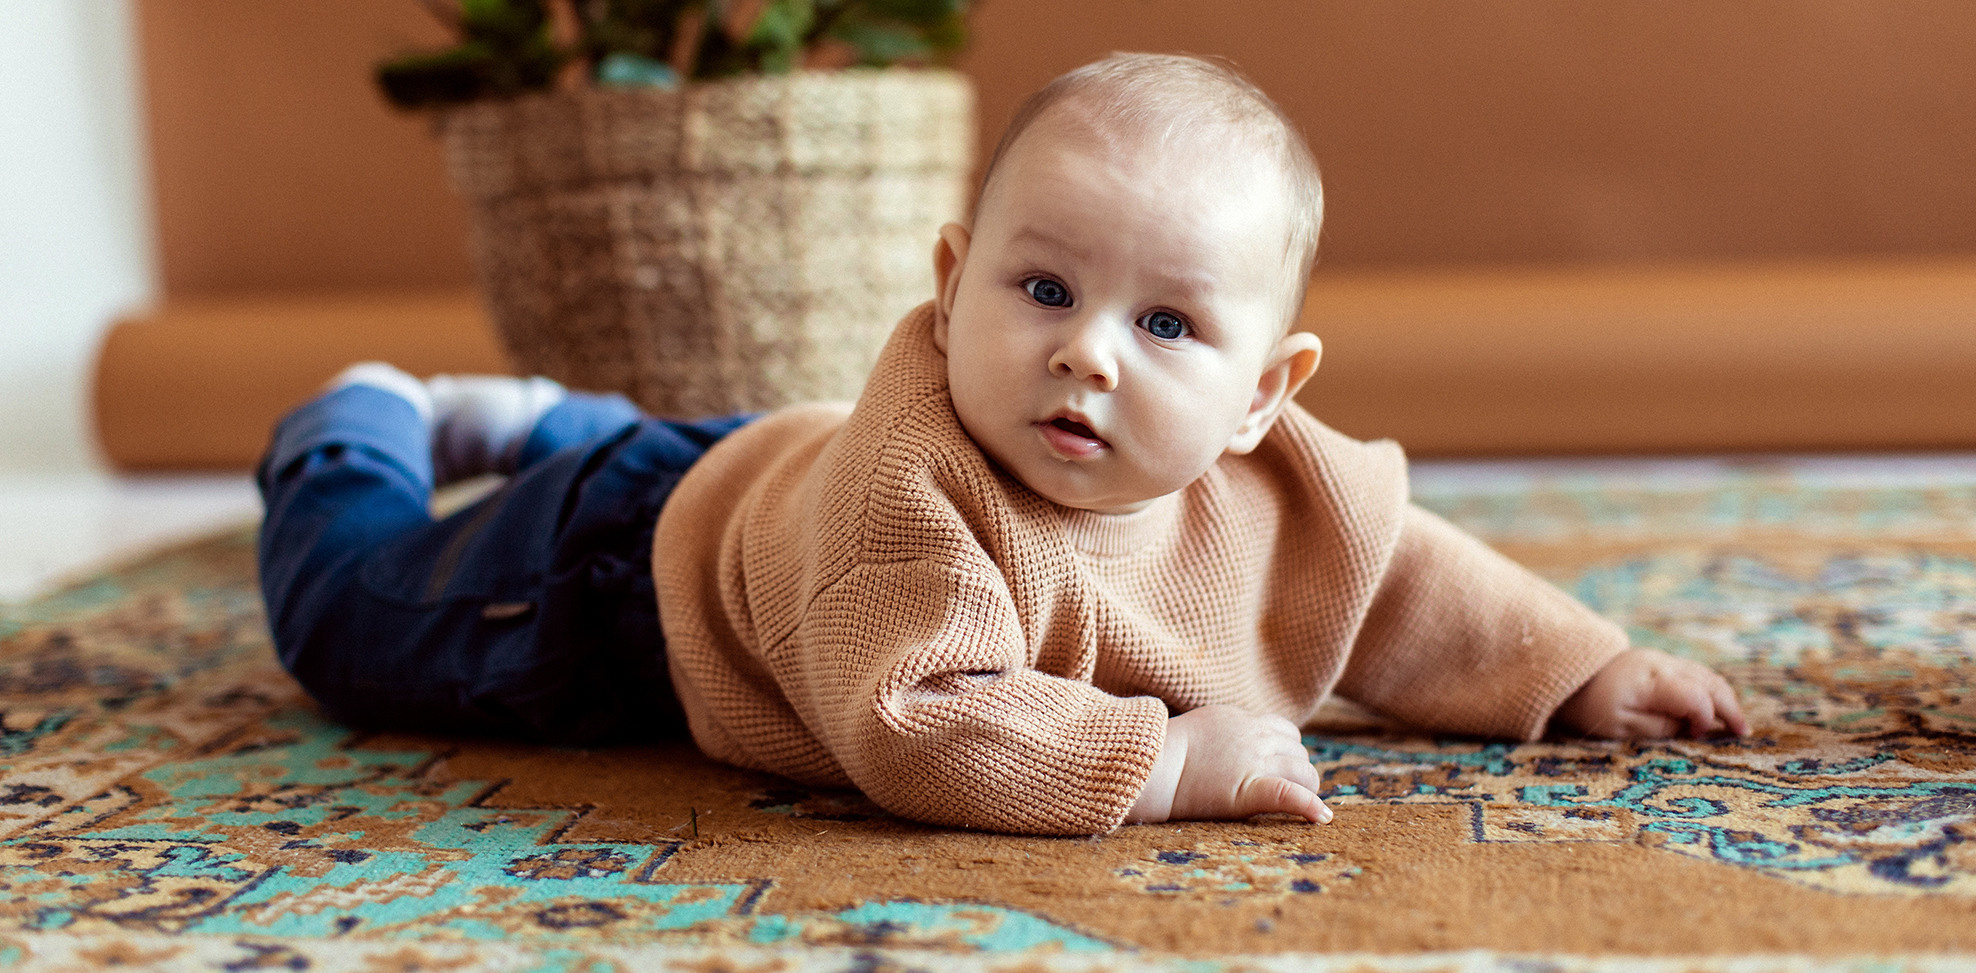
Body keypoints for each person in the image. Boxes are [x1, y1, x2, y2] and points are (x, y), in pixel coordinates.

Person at [257, 52, 1746, 837]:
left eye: (1167, 325)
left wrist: (1577, 664)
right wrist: (1161, 758)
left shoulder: (1272, 479)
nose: (1086, 347)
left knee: (704, 448)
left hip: (772, 453)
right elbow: (913, 721)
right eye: (1042, 289)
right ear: (953, 279)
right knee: (351, 615)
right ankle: (358, 429)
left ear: (1263, 394)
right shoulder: (916, 510)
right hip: (621, 579)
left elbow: (1400, 576)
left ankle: (545, 417)